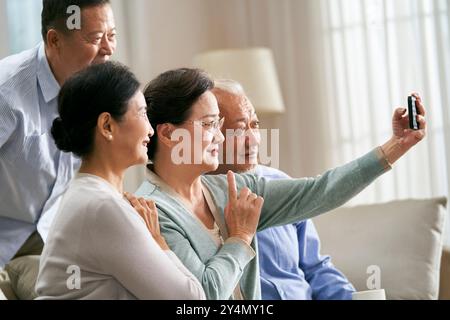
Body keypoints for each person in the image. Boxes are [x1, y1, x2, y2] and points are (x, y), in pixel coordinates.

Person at [135, 68, 426, 300]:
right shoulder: (151, 212)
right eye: (211, 125)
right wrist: (240, 238)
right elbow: (204, 296)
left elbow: (321, 190)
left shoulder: (229, 189)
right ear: (169, 134)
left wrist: (395, 147)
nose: (221, 137)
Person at [36, 62, 206, 300]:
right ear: (107, 126)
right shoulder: (102, 207)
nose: (150, 130)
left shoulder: (90, 196)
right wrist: (159, 242)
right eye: (142, 113)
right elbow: (190, 300)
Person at [212, 79, 356, 300]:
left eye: (255, 125)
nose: (254, 141)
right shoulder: (195, 200)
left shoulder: (279, 182)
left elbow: (315, 267)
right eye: (240, 130)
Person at [0, 0, 117, 268]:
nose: (108, 49)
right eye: (96, 38)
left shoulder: (96, 90)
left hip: (53, 242)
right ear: (54, 40)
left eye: (112, 35)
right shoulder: (6, 92)